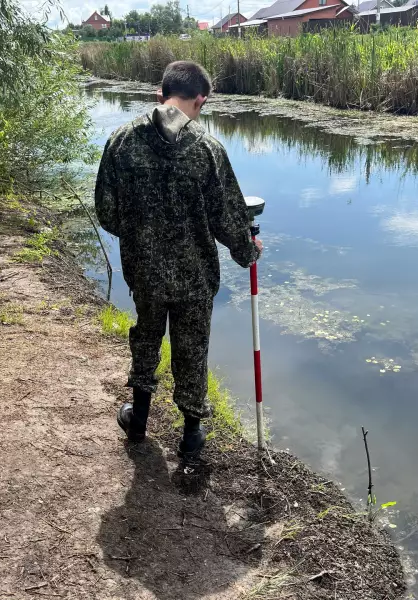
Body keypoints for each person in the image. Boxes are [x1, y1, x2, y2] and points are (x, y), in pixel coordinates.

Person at [95, 61, 262, 461]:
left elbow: (107, 210)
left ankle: (138, 420)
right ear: (200, 100)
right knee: (192, 349)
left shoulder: (121, 140)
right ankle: (190, 436)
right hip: (195, 275)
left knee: (147, 337)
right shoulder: (209, 150)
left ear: (161, 93)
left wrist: (140, 238)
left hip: (145, 272)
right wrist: (247, 250)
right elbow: (228, 217)